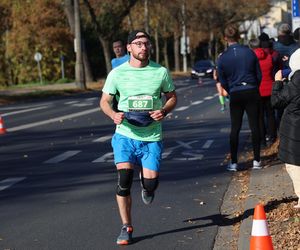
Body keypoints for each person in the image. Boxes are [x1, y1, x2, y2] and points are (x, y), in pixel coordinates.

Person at [100, 30, 177, 245]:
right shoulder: (117, 73)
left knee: (151, 184)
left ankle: (147, 185)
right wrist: (113, 114)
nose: (144, 47)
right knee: (123, 181)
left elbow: (172, 97)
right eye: (139, 44)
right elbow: (104, 101)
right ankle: (126, 226)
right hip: (125, 134)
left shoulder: (160, 71)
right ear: (129, 48)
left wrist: (164, 110)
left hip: (151, 136)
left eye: (146, 44)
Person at [217, 25, 262, 171]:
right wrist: (255, 86)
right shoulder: (249, 52)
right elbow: (258, 74)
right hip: (251, 89)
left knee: (235, 127)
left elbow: (222, 79)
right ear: (239, 37)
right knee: (255, 125)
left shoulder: (223, 57)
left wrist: (230, 90)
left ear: (225, 38)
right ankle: (257, 160)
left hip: (236, 92)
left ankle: (234, 162)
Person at [271, 48, 300, 209]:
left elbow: (276, 102)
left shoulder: (296, 82)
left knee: (294, 165)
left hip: (295, 128)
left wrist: (277, 83)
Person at [249, 38, 277, 146]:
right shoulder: (269, 57)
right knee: (270, 115)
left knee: (259, 116)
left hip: (258, 90)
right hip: (269, 88)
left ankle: (262, 139)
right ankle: (272, 136)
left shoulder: (251, 58)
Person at [111, 40, 130, 111]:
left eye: (119, 47)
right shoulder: (113, 61)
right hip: (117, 90)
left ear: (123, 47)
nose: (117, 49)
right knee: (117, 110)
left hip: (128, 88)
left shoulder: (129, 58)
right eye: (115, 47)